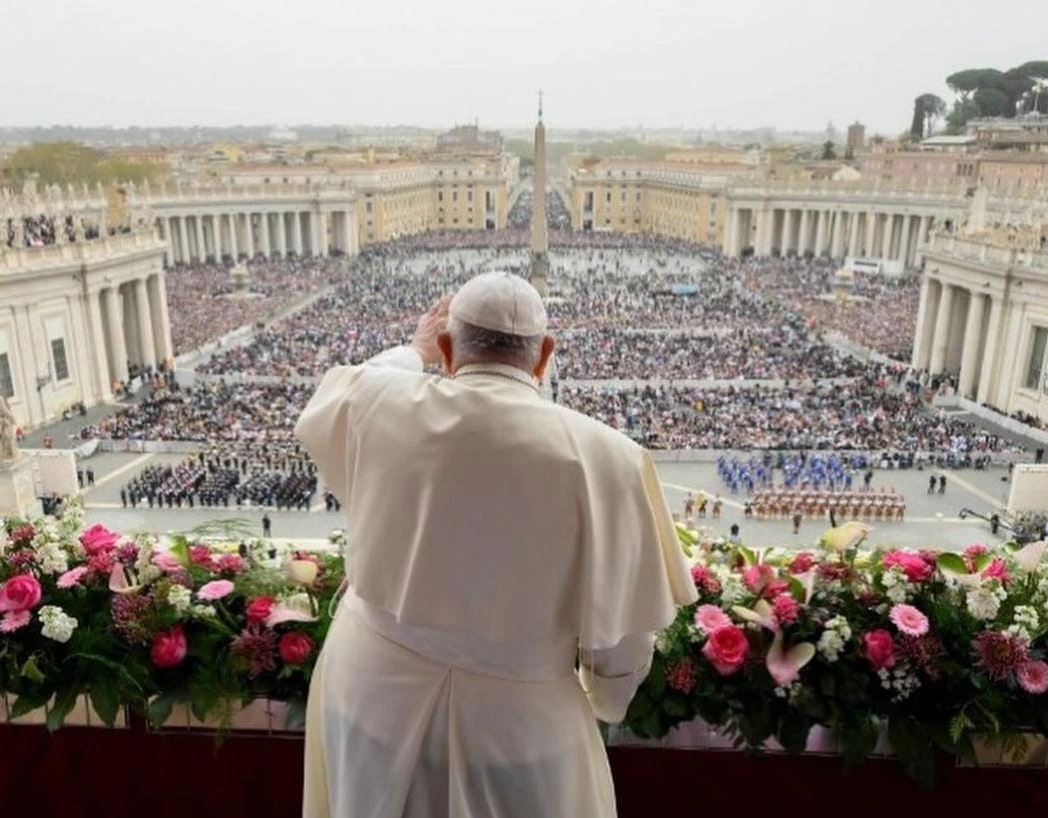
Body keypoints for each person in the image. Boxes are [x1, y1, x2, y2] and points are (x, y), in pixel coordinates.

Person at [295, 272, 696, 818]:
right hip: (517, 728)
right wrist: (606, 701)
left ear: (444, 348)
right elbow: (621, 647)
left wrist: (413, 352)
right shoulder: (610, 459)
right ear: (544, 356)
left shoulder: (378, 401)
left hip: (369, 695)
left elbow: (345, 389)